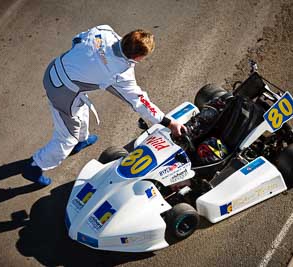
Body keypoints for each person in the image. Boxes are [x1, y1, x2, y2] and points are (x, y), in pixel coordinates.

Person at [23, 25, 186, 186]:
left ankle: (82, 139)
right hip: (62, 92)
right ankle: (35, 166)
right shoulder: (120, 74)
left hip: (54, 68)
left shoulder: (103, 31)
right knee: (67, 138)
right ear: (137, 57)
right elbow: (140, 102)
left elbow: (77, 40)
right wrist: (169, 123)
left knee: (81, 107)